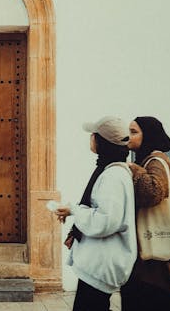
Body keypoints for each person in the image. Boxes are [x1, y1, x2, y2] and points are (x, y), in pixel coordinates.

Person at [55, 116, 137, 311]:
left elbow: (106, 221)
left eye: (95, 135)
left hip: (100, 266)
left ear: (103, 142)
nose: (91, 137)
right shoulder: (109, 171)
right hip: (97, 265)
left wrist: (76, 210)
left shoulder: (113, 176)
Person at [121, 116, 170, 311]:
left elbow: (153, 193)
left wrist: (134, 170)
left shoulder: (156, 161)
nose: (128, 136)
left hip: (154, 251)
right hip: (150, 249)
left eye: (134, 132)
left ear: (148, 135)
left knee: (159, 296)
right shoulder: (148, 159)